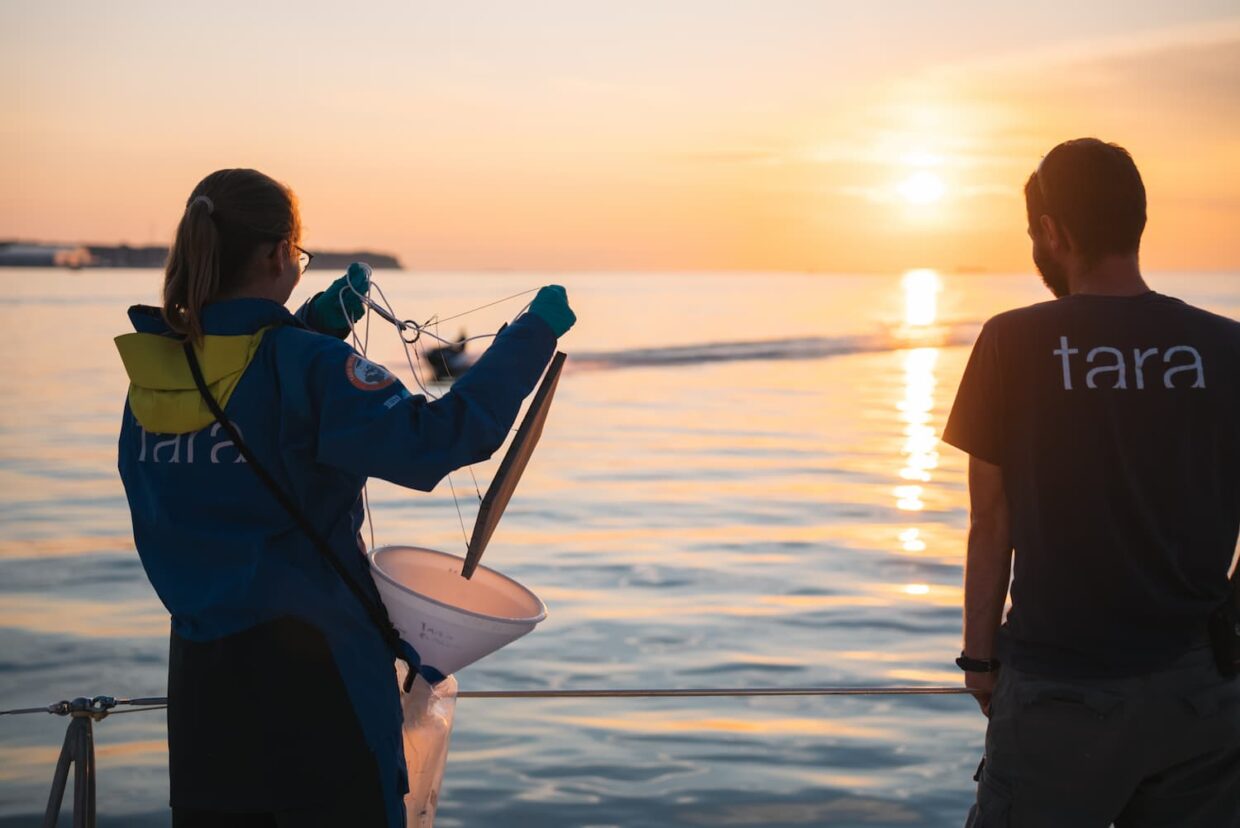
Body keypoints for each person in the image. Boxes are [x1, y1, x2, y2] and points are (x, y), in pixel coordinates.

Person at [114, 168, 577, 827]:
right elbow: (439, 439)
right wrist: (530, 337)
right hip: (317, 689)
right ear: (279, 254)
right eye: (296, 256)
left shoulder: (153, 380)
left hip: (204, 704)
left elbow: (251, 414)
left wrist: (314, 327)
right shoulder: (307, 368)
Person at [943, 138, 1239, 826]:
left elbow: (991, 523)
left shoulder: (1011, 341)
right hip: (1202, 691)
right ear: (1137, 220)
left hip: (1061, 691)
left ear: (1052, 230)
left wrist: (979, 659)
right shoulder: (1228, 348)